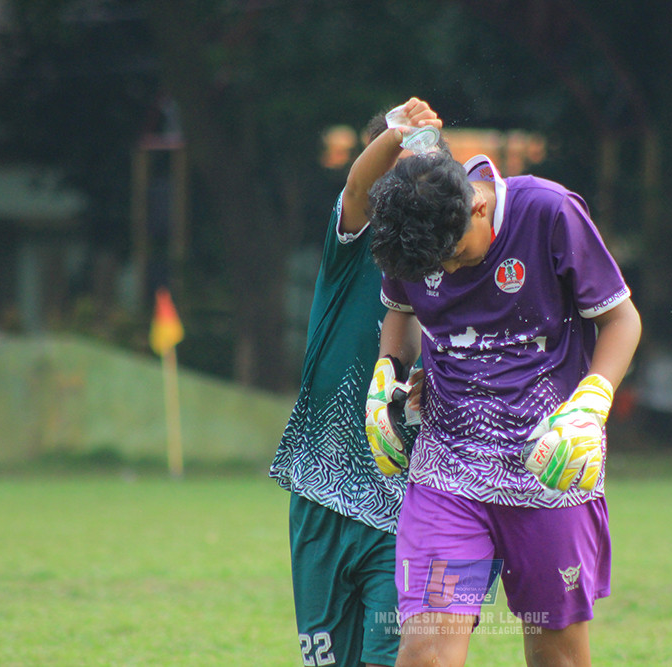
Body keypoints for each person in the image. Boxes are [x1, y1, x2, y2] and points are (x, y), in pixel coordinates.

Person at [365, 149, 642, 667]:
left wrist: (593, 401)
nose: (445, 271)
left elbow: (622, 320)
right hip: (447, 475)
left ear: (476, 206)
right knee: (425, 655)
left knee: (556, 658)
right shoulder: (415, 235)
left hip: (549, 471)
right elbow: (401, 314)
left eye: (453, 255)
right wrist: (387, 377)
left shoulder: (549, 211)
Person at [268, 98, 442, 667]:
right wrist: (400, 134)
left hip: (404, 508)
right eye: (399, 176)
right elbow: (360, 187)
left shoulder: (454, 268)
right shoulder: (355, 247)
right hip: (320, 489)